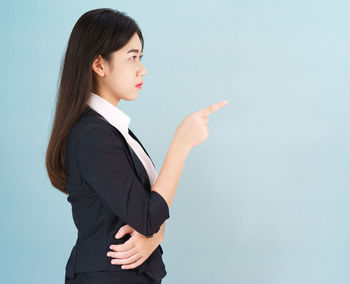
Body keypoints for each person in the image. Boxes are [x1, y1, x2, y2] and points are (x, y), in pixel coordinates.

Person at [45, 8, 227, 284]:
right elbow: (147, 217)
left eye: (140, 57)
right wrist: (182, 143)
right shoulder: (92, 135)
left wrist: (155, 235)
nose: (142, 68)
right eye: (132, 58)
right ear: (99, 65)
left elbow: (149, 211)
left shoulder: (111, 130)